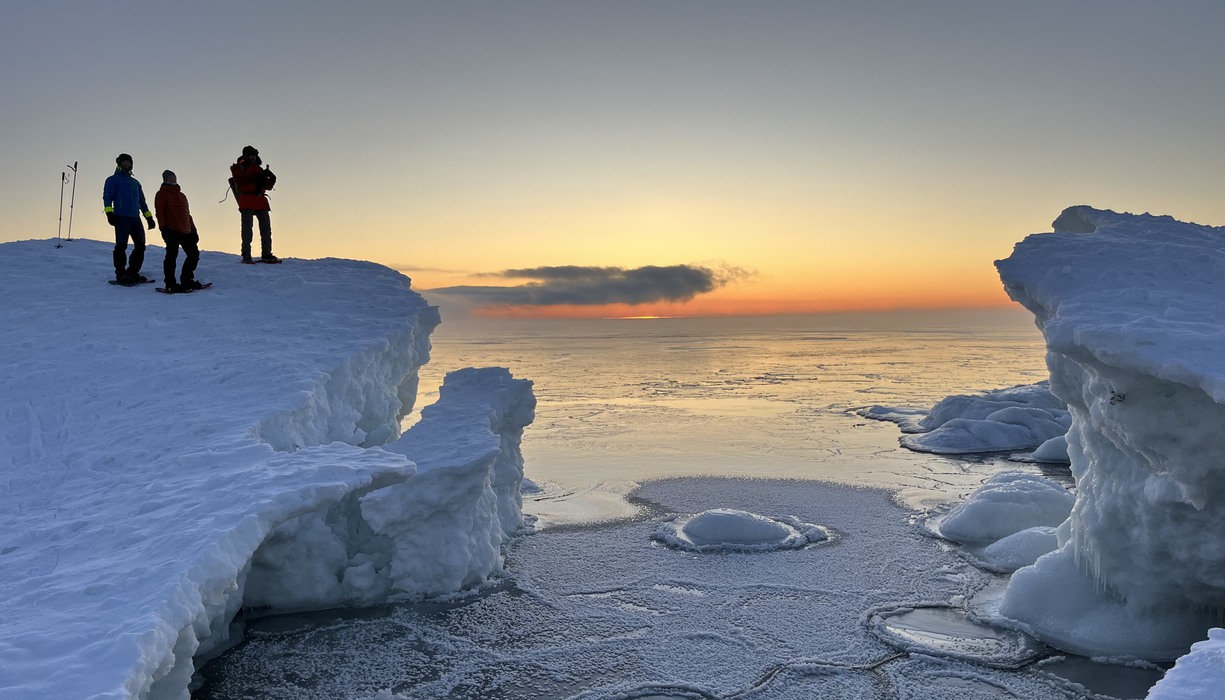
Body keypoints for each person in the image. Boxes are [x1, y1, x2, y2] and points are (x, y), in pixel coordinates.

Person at [102, 153, 156, 284]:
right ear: (119, 164)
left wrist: (149, 217)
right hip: (121, 217)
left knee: (140, 246)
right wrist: (109, 213)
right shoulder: (112, 180)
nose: (127, 164)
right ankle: (121, 274)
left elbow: (142, 201)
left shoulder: (135, 183)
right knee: (121, 246)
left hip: (135, 218)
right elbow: (107, 197)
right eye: (124, 162)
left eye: (129, 162)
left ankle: (132, 272)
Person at [154, 170, 203, 293]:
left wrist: (193, 229)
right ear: (165, 179)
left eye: (174, 177)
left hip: (186, 230)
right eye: (170, 177)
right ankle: (170, 284)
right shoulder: (161, 194)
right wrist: (163, 229)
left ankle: (187, 280)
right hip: (171, 230)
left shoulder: (182, 195)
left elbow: (188, 214)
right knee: (171, 257)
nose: (173, 179)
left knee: (194, 255)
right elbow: (160, 213)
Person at [230, 145, 278, 263]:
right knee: (247, 230)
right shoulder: (238, 167)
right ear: (245, 156)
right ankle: (246, 255)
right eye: (250, 155)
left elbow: (268, 186)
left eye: (254, 155)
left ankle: (266, 254)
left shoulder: (258, 169)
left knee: (266, 229)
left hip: (259, 200)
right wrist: (257, 177)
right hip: (248, 199)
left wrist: (272, 177)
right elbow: (240, 181)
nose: (253, 157)